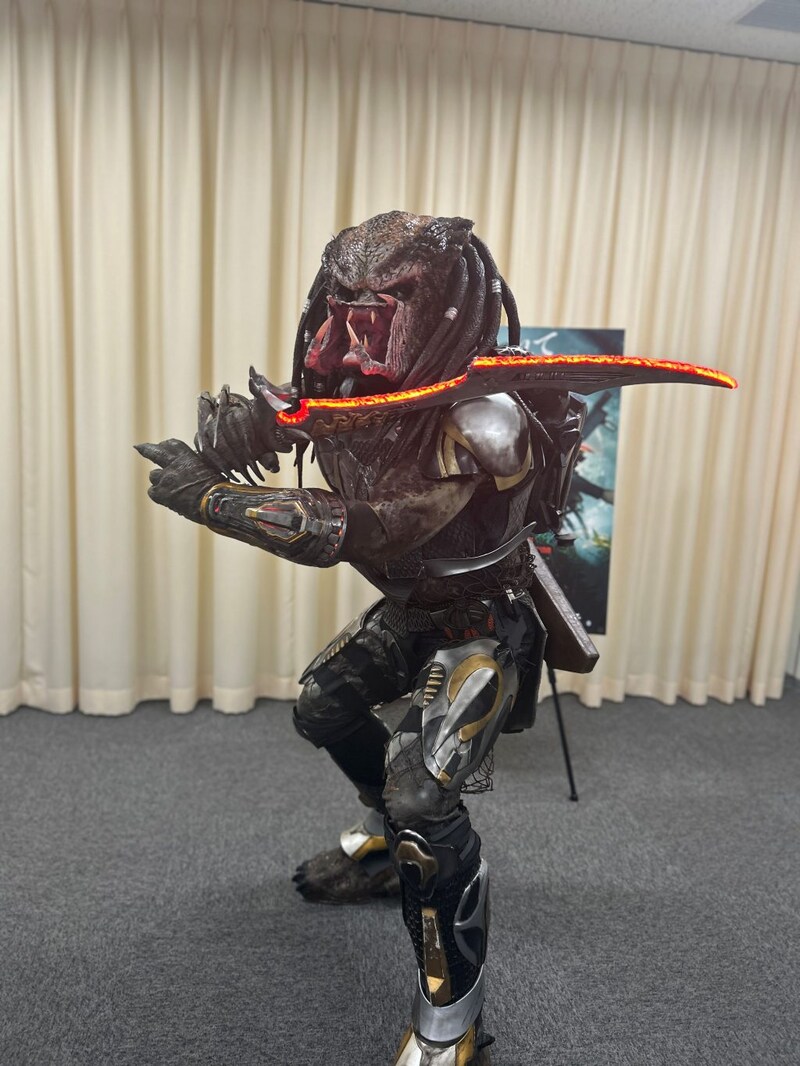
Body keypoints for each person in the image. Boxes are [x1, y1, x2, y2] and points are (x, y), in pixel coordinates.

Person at [136, 210, 731, 1064]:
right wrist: (235, 436)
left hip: (482, 625)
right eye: (343, 310)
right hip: (410, 613)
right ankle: (385, 844)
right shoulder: (346, 392)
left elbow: (368, 528)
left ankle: (452, 1021)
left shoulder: (484, 422)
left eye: (376, 315)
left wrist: (209, 497)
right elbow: (283, 427)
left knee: (424, 801)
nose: (350, 342)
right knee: (323, 707)